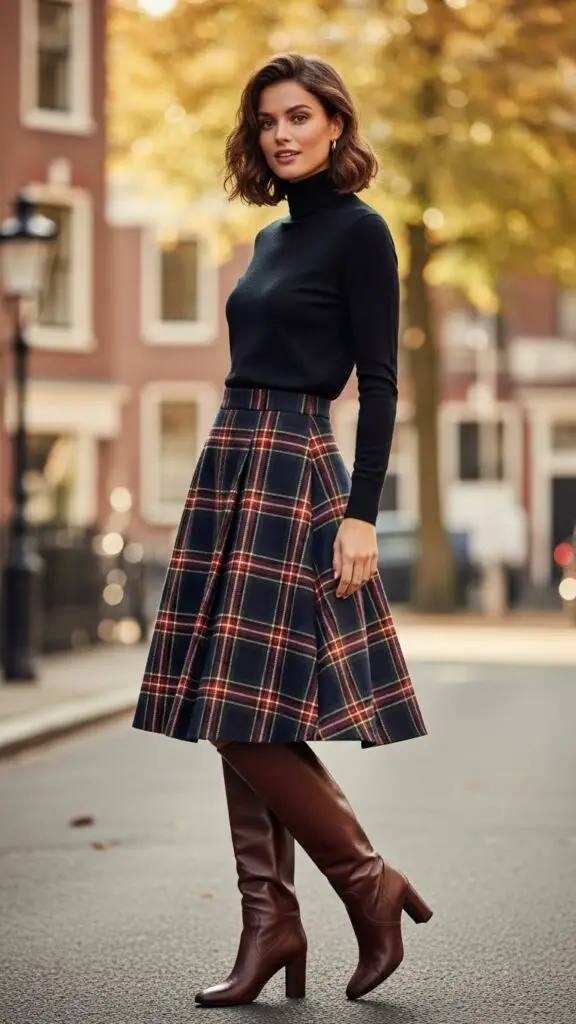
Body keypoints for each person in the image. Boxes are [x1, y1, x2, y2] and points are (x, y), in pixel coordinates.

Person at [132, 52, 432, 1006]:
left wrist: (361, 515)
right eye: (268, 121)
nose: (283, 134)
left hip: (298, 466)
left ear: (335, 124)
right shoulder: (267, 243)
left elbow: (379, 387)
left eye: (300, 116)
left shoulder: (363, 235)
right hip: (231, 458)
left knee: (236, 710)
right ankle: (271, 922)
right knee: (240, 708)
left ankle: (362, 882)